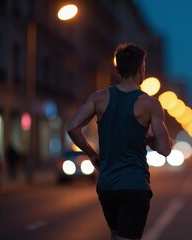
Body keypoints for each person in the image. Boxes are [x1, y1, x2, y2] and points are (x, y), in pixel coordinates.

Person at [67, 43, 172, 240]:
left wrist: (91, 153)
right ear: (141, 69)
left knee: (115, 235)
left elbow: (72, 127)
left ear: (117, 70)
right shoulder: (150, 104)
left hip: (106, 185)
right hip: (134, 185)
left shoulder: (99, 98)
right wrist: (152, 141)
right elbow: (165, 149)